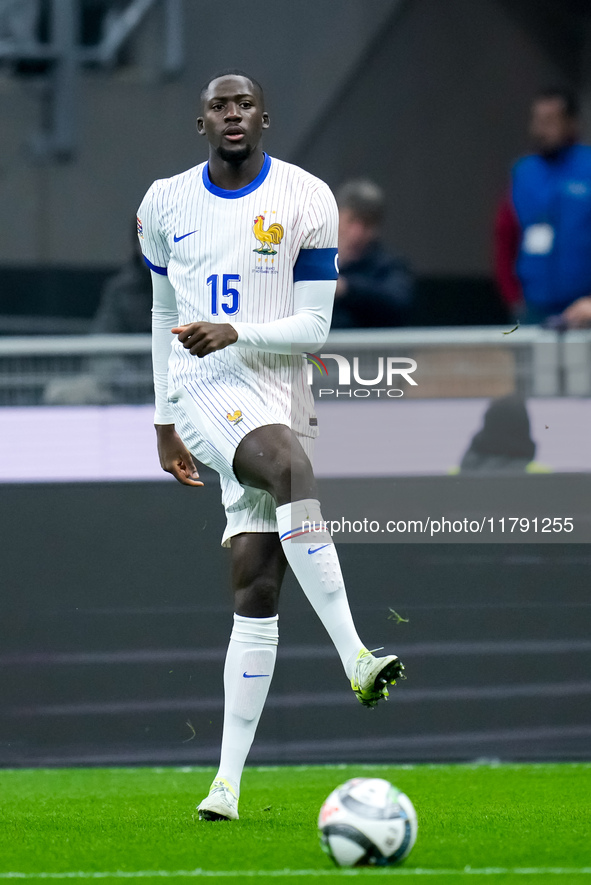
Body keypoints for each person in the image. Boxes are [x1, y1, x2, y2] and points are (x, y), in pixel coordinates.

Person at [137, 70, 404, 823]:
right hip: (204, 387)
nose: (231, 114)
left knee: (256, 585)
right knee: (290, 464)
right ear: (201, 124)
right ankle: (356, 655)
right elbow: (163, 314)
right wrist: (162, 417)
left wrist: (239, 328)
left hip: (281, 389)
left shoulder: (307, 198)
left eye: (243, 104)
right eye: (218, 105)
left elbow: (315, 329)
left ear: (264, 117)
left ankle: (224, 783)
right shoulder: (165, 202)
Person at [494, 88, 591, 326]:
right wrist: (512, 297)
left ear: (570, 123)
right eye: (536, 121)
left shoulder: (587, 167)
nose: (540, 130)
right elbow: (505, 236)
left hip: (583, 305)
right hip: (533, 306)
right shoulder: (523, 172)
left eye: (549, 121)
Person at [331, 179, 414, 328]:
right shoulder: (313, 257)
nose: (357, 233)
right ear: (335, 216)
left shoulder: (388, 265)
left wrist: (346, 289)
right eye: (351, 221)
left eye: (367, 224)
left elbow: (399, 303)